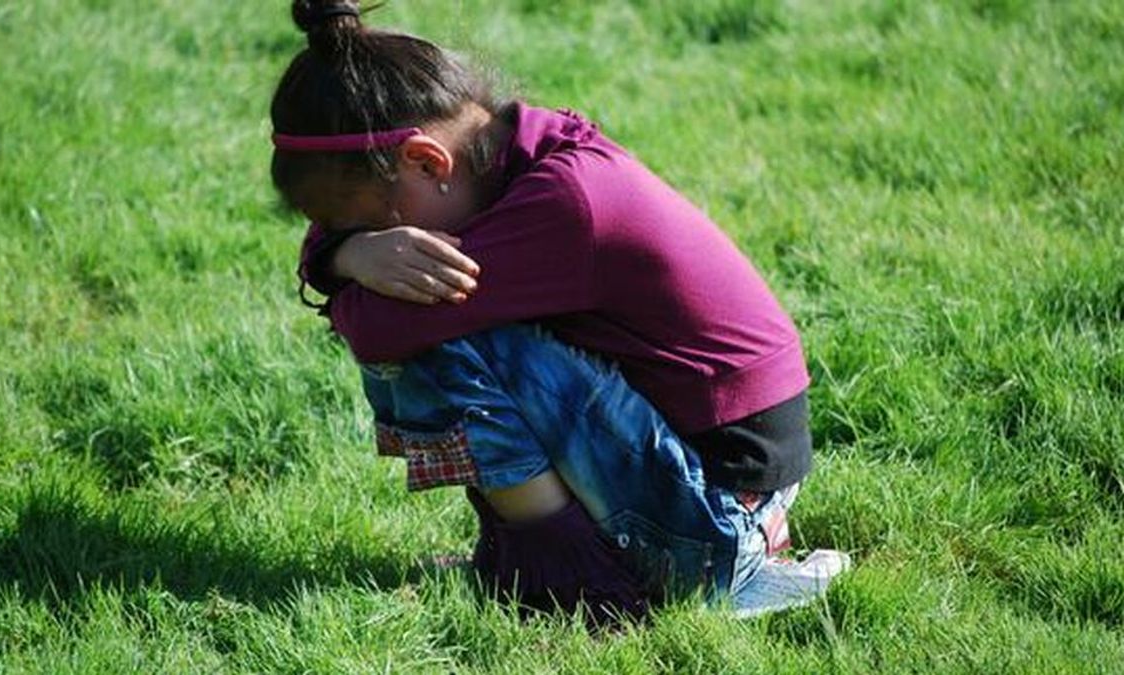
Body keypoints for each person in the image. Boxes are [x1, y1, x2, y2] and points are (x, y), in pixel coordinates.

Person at [270, 0, 840, 625]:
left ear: (428, 163)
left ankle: (576, 582)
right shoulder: (518, 148)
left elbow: (379, 331)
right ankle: (548, 557)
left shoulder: (567, 206)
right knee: (438, 308)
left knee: (438, 335)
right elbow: (340, 273)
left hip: (716, 518)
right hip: (719, 486)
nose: (384, 247)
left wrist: (345, 265)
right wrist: (351, 252)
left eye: (371, 222)